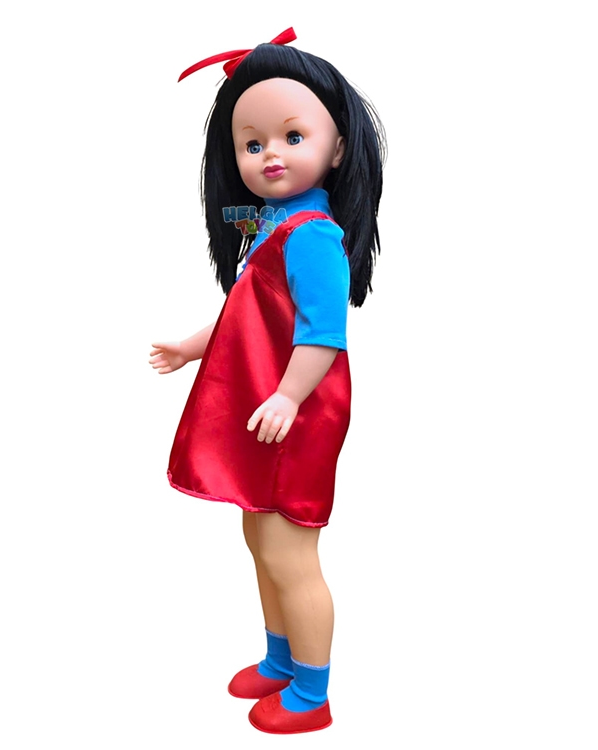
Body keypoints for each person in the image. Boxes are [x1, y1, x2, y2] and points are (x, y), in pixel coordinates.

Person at [150, 29, 385, 734]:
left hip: (296, 408)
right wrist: (192, 349)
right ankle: (282, 660)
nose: (270, 154)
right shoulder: (267, 222)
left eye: (292, 135)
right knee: (260, 537)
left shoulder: (312, 236)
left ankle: (312, 693)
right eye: (251, 144)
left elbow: (323, 334)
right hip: (269, 404)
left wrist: (289, 394)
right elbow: (245, 312)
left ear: (337, 148)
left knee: (289, 550)